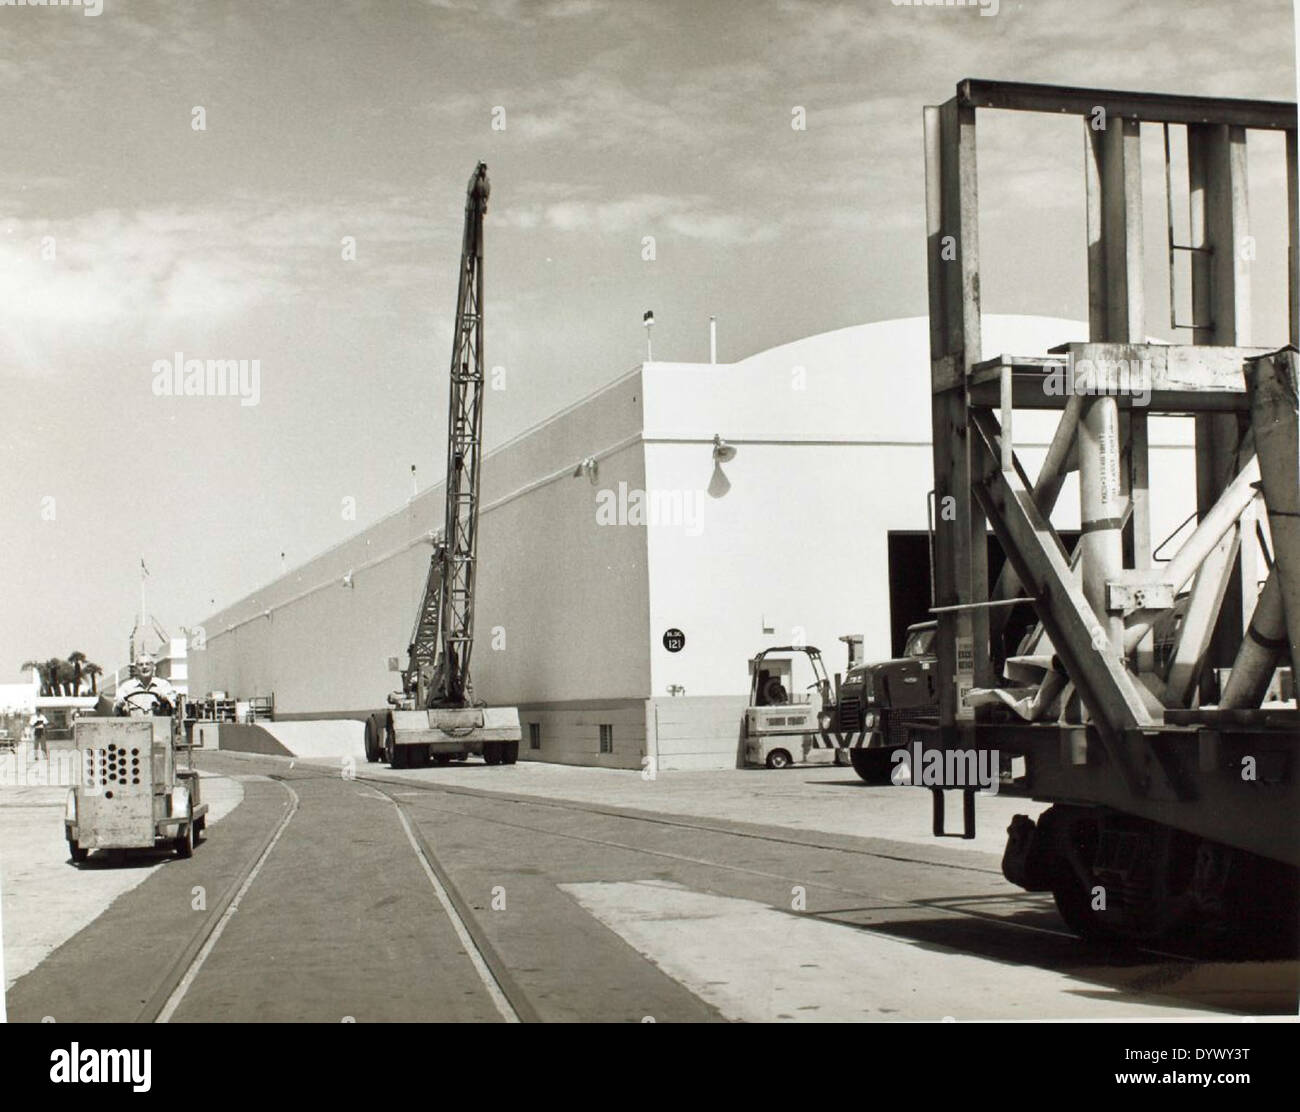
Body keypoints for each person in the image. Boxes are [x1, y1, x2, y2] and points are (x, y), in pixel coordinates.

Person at [113, 653, 177, 717]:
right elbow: (115, 711)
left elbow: (174, 706)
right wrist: (119, 704)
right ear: (136, 669)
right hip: (134, 725)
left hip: (159, 725)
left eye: (147, 664)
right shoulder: (126, 687)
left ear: (153, 667)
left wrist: (166, 699)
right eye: (141, 665)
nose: (144, 667)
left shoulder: (163, 685)